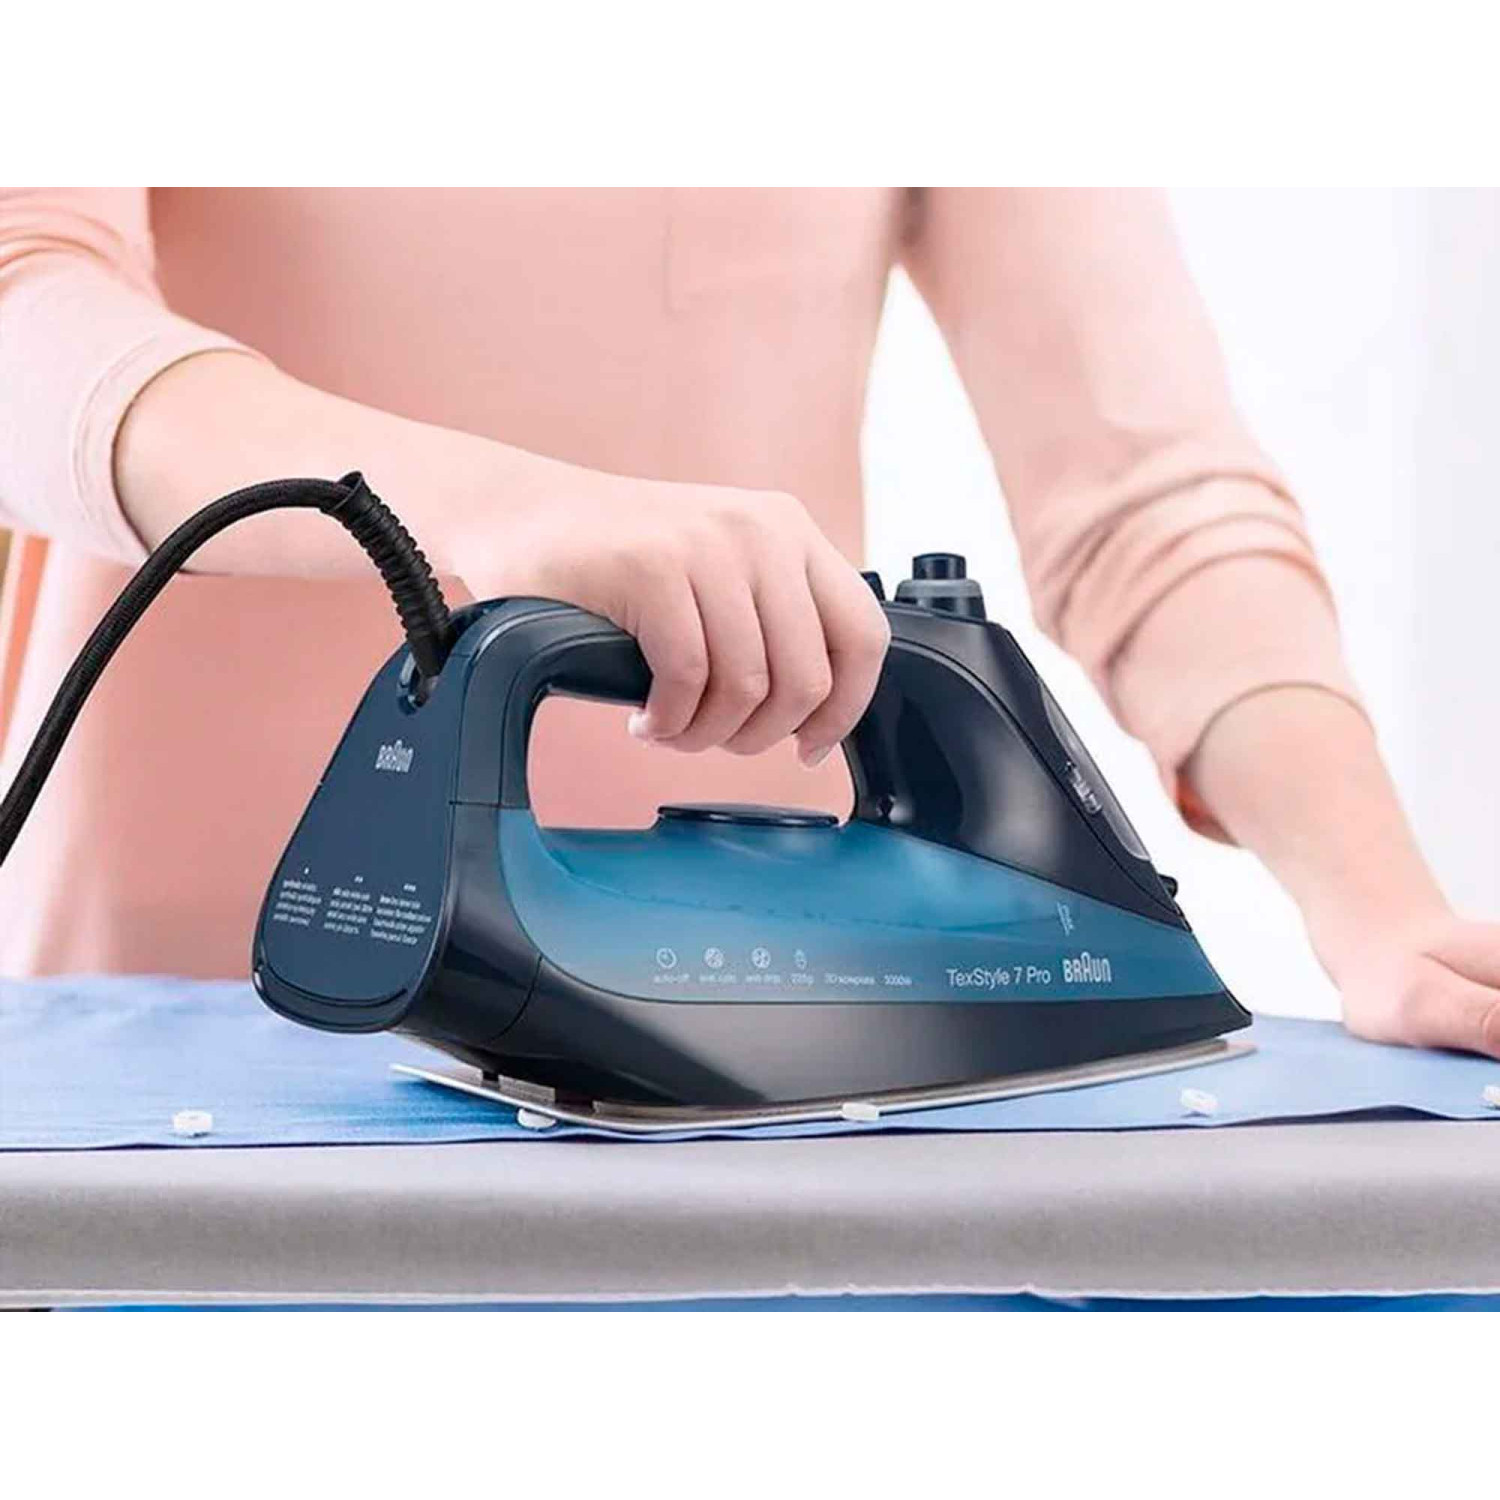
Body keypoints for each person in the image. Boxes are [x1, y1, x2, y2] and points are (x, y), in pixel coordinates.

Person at [0, 187, 1494, 1058]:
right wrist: (493, 508)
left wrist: (1376, 908)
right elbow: (26, 296)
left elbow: (1150, 496)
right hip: (184, 1015)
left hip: (766, 1025)